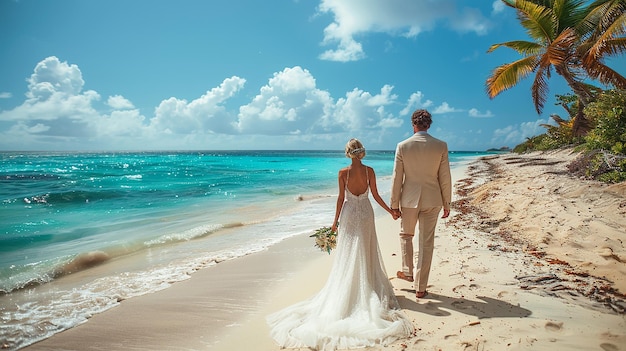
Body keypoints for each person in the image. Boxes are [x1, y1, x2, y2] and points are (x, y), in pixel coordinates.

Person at [266, 138, 414, 350]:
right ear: (362, 152)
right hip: (365, 215)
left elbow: (340, 199)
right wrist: (391, 211)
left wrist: (334, 223)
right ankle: (367, 286)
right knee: (365, 250)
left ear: (347, 153)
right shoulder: (369, 171)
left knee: (349, 253)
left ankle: (352, 288)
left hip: (349, 215)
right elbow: (375, 195)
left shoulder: (342, 173)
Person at [390, 109, 452, 299]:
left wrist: (394, 204)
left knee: (406, 235)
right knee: (426, 243)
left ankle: (408, 271)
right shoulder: (440, 145)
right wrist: (447, 202)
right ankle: (420, 287)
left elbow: (397, 177)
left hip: (409, 199)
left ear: (413, 124)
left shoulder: (403, 146)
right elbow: (445, 177)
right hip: (433, 199)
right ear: (429, 125)